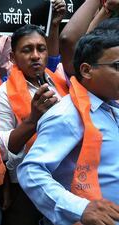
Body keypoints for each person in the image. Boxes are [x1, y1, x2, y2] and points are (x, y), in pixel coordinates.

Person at [18, 29, 119, 225]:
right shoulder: (67, 114)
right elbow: (31, 171)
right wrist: (80, 209)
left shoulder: (112, 107)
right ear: (86, 70)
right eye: (118, 65)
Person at [0, 1, 68, 223]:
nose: (36, 56)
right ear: (13, 58)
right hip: (26, 187)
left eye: (40, 49)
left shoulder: (59, 82)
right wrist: (33, 120)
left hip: (64, 180)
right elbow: (2, 149)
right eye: (27, 50)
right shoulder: (2, 93)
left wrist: (54, 24)